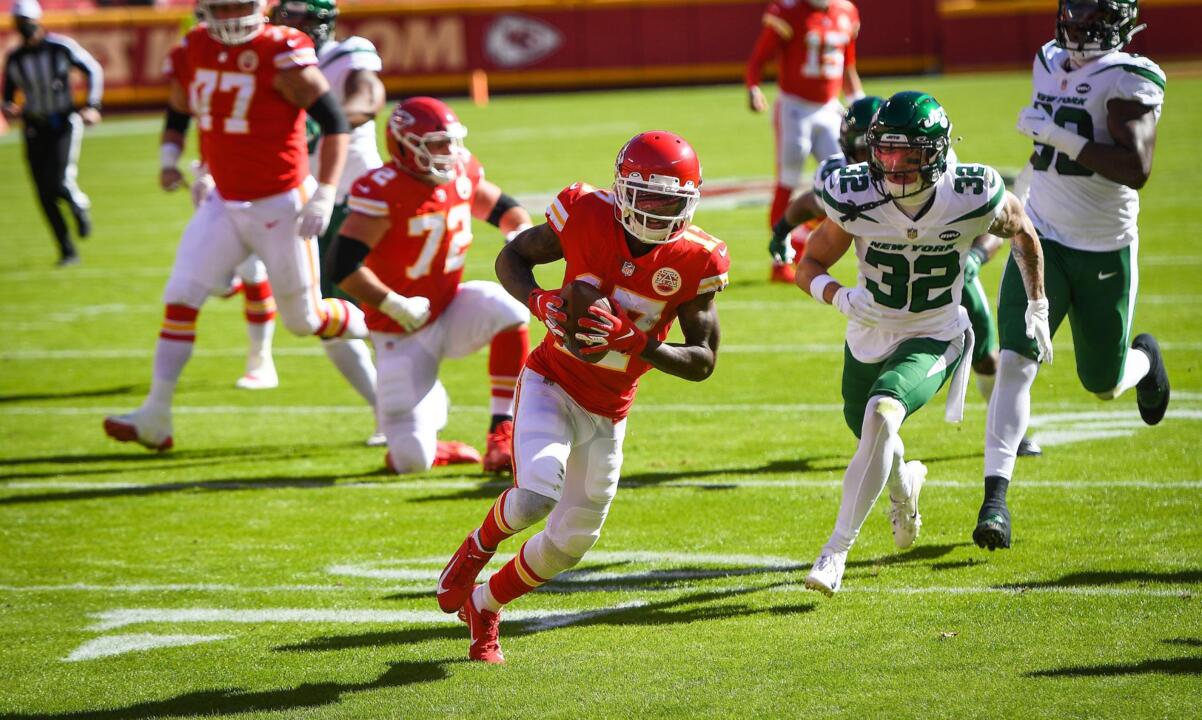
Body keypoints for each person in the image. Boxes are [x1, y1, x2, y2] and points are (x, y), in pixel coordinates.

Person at [433, 130, 730, 663]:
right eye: (651, 196)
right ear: (623, 191)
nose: (661, 210)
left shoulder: (698, 259)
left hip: (610, 408)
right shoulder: (585, 213)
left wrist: (635, 342)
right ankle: (475, 549)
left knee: (571, 543)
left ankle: (485, 604)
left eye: (673, 199)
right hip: (552, 381)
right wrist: (539, 299)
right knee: (533, 497)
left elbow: (703, 361)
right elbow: (511, 258)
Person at [795, 91, 1051, 595]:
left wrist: (1037, 303)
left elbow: (1022, 230)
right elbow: (809, 265)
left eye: (908, 153)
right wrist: (840, 297)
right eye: (886, 151)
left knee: (882, 414)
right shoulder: (855, 193)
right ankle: (903, 488)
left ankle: (835, 552)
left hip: (935, 333)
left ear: (935, 152)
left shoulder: (970, 192)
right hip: (868, 335)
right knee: (871, 432)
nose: (894, 165)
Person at [104, 0, 361, 451]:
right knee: (181, 295)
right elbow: (182, 106)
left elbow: (335, 122)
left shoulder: (282, 49)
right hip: (224, 198)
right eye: (219, 7)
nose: (228, 16)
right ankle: (155, 415)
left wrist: (323, 191)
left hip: (281, 200)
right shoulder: (194, 45)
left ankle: (380, 317)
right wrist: (173, 159)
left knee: (305, 321)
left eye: (237, 5)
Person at [976, 0, 1169, 551]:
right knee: (1016, 361)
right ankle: (995, 502)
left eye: (1093, 13)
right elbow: (1040, 158)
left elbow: (1136, 169)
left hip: (1102, 248)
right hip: (1040, 235)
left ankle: (1145, 360)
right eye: (1075, 11)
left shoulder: (1130, 77)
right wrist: (1014, 205)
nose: (1080, 23)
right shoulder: (1048, 59)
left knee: (1103, 383)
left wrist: (1058, 136)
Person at [772, 95, 1042, 456]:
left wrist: (976, 256)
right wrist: (782, 229)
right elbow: (809, 203)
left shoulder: (945, 177)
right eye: (877, 149)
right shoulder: (843, 181)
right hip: (887, 297)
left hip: (947, 285)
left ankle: (1010, 430)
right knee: (867, 407)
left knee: (987, 359)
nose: (892, 163)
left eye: (902, 150)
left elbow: (999, 220)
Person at [329, 97, 535, 474]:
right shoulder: (383, 189)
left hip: (450, 306)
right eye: (436, 144)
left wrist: (518, 235)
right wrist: (393, 304)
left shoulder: (461, 171)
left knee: (510, 310)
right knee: (410, 460)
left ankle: (501, 433)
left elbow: (504, 209)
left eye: (451, 142)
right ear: (404, 146)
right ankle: (431, 439)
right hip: (400, 329)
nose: (448, 152)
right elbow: (341, 266)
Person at [744, 0, 863, 284]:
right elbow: (759, 56)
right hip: (794, 109)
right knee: (787, 180)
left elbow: (848, 68)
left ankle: (799, 243)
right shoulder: (788, 10)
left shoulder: (845, 11)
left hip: (829, 109)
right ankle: (779, 261)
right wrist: (753, 86)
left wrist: (860, 104)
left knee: (844, 180)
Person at [2, 0, 102, 267]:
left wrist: (92, 105)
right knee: (43, 193)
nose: (23, 27)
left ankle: (78, 204)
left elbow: (93, 69)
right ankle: (67, 250)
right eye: (18, 22)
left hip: (63, 123)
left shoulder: (60, 47)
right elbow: (9, 97)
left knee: (56, 182)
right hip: (34, 126)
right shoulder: (15, 58)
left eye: (26, 20)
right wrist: (9, 109)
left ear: (37, 19)